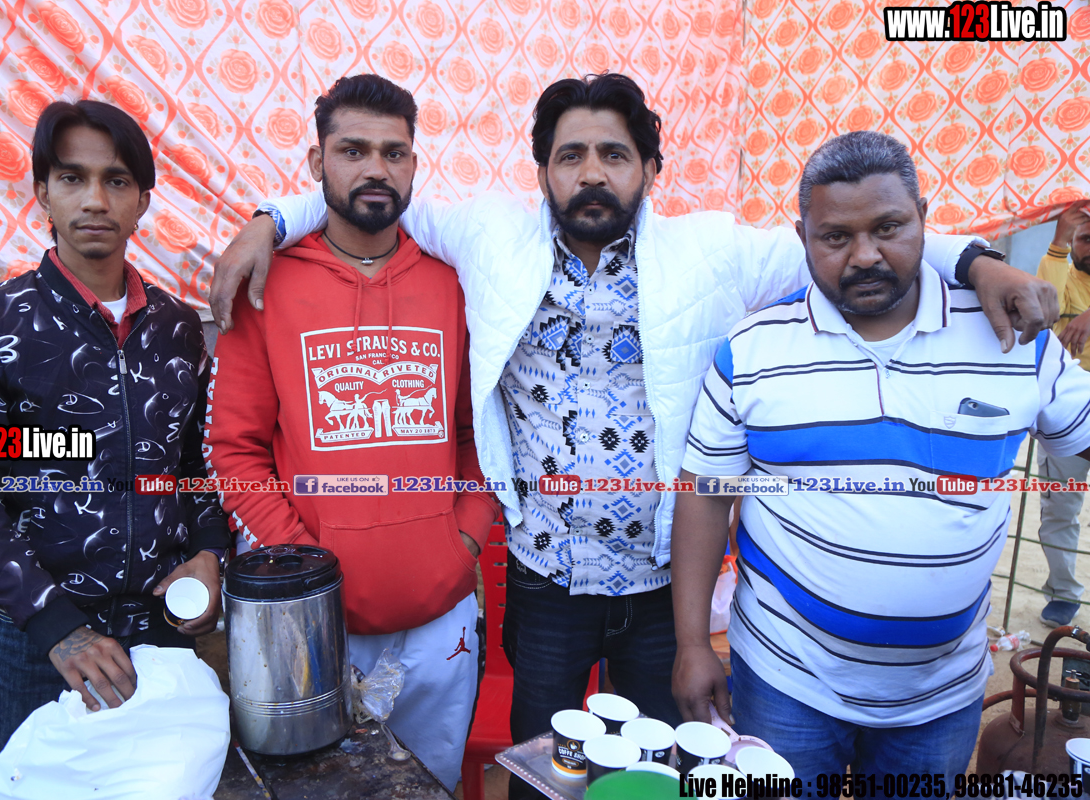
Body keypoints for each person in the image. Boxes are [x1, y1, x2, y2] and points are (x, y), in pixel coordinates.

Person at [211, 73, 1055, 799]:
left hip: (660, 587)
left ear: (650, 168)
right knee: (543, 771)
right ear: (542, 172)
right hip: (545, 581)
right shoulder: (491, 237)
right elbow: (372, 190)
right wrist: (267, 222)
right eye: (570, 155)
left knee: (653, 775)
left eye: (614, 155)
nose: (592, 173)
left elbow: (854, 233)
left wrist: (976, 262)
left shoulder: (711, 253)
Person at [671, 131, 1090, 778]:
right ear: (803, 236)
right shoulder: (752, 350)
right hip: (785, 681)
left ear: (925, 219)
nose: (865, 255)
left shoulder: (1012, 336)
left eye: (889, 228)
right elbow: (705, 496)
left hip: (941, 697)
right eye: (835, 237)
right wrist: (693, 643)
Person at [202, 74, 499, 791]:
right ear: (317, 163)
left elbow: (477, 431)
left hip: (441, 620)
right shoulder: (267, 283)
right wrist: (304, 567)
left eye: (394, 153)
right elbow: (235, 450)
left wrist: (464, 538)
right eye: (353, 150)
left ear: (415, 164)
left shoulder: (456, 281)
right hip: (314, 622)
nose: (376, 169)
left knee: (431, 784)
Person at [0, 100, 229, 751]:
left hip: (164, 633)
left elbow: (193, 467)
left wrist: (209, 555)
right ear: (43, 191)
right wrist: (56, 627)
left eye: (116, 180)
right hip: (44, 650)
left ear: (142, 200)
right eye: (72, 177)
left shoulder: (177, 329)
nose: (95, 199)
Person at [1035, 200, 1090, 627]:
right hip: (1068, 411)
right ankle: (1064, 592)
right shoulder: (1061, 276)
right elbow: (1042, 313)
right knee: (1059, 510)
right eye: (1085, 238)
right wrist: (1057, 243)